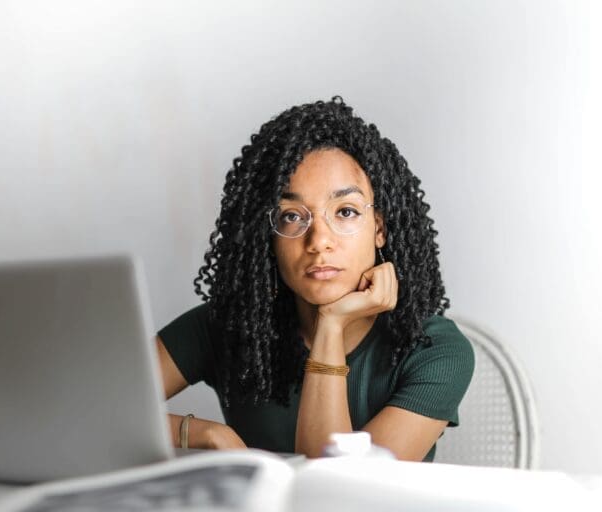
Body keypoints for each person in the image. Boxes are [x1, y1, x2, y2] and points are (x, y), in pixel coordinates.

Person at [156, 96, 474, 462]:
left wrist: (331, 324)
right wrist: (205, 433)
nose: (319, 240)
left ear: (380, 229)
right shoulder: (230, 325)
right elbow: (86, 408)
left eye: (346, 211)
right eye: (292, 216)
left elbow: (339, 492)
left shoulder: (435, 349)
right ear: (268, 236)